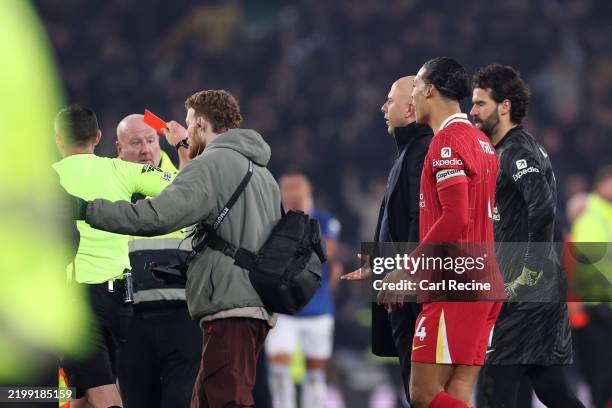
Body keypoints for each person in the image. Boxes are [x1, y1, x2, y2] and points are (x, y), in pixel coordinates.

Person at [73, 90, 281, 408]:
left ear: (199, 123)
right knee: (207, 399)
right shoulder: (259, 170)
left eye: (187, 125)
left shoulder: (210, 167)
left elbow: (158, 216)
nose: (181, 133)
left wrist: (86, 210)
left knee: (227, 400)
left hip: (226, 303)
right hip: (244, 303)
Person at [376, 57, 504, 408]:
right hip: (484, 281)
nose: (412, 98)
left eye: (415, 88)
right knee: (456, 392)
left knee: (423, 394)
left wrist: (407, 268)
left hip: (454, 285)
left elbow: (455, 218)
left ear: (429, 89)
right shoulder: (481, 143)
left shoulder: (446, 143)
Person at [470, 64, 584, 408]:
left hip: (525, 294)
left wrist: (529, 273)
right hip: (533, 292)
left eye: (480, 104)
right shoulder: (504, 150)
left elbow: (544, 209)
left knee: (494, 387)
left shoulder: (517, 151)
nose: (472, 112)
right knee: (551, 387)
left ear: (505, 107)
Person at [53, 105, 173, 408]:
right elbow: (179, 184)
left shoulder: (47, 179)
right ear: (98, 136)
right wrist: (184, 145)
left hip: (75, 300)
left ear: (58, 140)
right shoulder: (123, 170)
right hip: (120, 302)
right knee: (76, 395)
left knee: (101, 391)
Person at [342, 76, 433, 403]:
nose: (383, 107)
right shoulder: (410, 151)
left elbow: (421, 221)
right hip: (401, 285)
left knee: (424, 391)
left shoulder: (422, 151)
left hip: (411, 289)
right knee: (418, 391)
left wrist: (404, 271)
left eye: (390, 100)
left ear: (411, 107)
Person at [114, 114, 202, 408]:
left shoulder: (181, 178)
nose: (145, 149)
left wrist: (184, 148)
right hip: (131, 319)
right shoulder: (109, 188)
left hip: (182, 314)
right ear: (119, 148)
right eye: (135, 142)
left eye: (150, 140)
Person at [265, 170, 341, 408]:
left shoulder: (326, 221)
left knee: (316, 378)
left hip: (318, 311)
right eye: (287, 187)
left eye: (297, 186)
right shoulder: (271, 222)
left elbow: (326, 252)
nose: (292, 192)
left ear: (308, 191)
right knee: (279, 373)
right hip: (282, 311)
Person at [571, 165, 612, 408]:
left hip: (603, 305)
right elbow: (589, 261)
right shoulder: (591, 215)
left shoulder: (603, 214)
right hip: (596, 307)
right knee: (601, 375)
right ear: (602, 184)